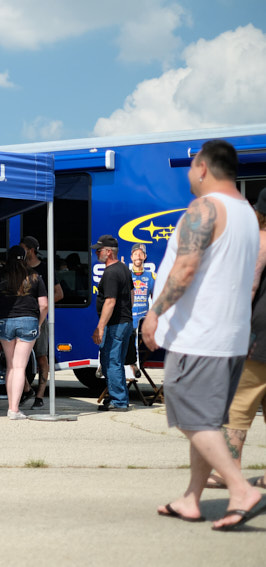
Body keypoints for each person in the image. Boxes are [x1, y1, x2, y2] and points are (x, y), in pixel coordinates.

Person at [142, 139, 263, 531]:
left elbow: (186, 269)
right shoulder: (246, 212)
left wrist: (155, 313)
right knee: (207, 420)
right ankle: (191, 499)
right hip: (230, 336)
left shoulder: (204, 208)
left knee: (190, 416)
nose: (189, 176)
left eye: (191, 168)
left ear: (203, 166)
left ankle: (240, 489)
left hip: (199, 335)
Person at [204, 187, 266, 492]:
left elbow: (250, 286)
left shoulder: (262, 239)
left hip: (260, 337)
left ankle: (229, 472)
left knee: (238, 407)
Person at [0, 245, 48, 419]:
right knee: (20, 367)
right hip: (28, 321)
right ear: (25, 258)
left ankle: (11, 407)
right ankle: (14, 410)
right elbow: (44, 305)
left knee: (10, 366)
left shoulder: (0, 276)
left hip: (5, 321)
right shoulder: (35, 277)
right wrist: (38, 323)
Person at [91, 234, 133, 411]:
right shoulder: (123, 268)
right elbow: (131, 294)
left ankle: (119, 401)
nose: (96, 254)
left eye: (98, 251)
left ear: (108, 252)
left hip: (115, 324)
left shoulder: (110, 273)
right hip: (125, 321)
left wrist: (100, 327)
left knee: (111, 361)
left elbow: (110, 301)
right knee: (115, 361)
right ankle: (119, 397)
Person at [21, 236, 63, 409]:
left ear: (30, 250)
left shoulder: (45, 268)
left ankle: (39, 396)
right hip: (22, 317)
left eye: (22, 248)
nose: (20, 252)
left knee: (41, 358)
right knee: (17, 359)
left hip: (40, 319)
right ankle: (26, 389)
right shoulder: (20, 268)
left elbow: (59, 293)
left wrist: (41, 306)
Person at [128, 243, 155, 378]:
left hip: (142, 320)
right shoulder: (125, 274)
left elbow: (156, 300)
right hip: (127, 318)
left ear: (144, 257)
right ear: (131, 257)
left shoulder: (151, 276)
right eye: (135, 254)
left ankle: (135, 366)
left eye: (141, 254)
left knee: (135, 335)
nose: (138, 256)